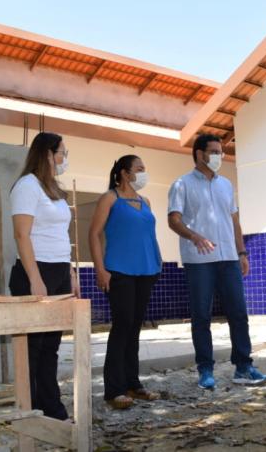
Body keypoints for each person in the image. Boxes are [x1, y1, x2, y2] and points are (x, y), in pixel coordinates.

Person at [167, 134, 266, 390]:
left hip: (229, 259)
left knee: (239, 313)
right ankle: (205, 370)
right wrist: (194, 235)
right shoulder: (182, 184)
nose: (218, 157)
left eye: (220, 152)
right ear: (199, 154)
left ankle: (243, 367)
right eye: (213, 152)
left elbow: (234, 221)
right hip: (199, 260)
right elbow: (174, 220)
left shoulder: (225, 185)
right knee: (201, 315)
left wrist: (242, 253)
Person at [9, 132, 80, 420]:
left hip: (59, 270)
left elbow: (60, 234)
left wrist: (71, 272)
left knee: (51, 346)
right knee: (33, 348)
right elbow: (21, 234)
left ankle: (52, 408)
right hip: (35, 271)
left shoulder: (53, 189)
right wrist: (35, 278)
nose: (65, 158)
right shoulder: (27, 186)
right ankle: (32, 408)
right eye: (62, 151)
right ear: (48, 154)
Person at [89, 155, 162, 410]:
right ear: (123, 172)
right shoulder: (110, 198)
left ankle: (133, 384)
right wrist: (100, 269)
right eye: (139, 169)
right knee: (122, 326)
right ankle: (114, 390)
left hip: (146, 272)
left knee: (134, 328)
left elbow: (148, 236)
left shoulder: (146, 201)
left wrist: (157, 264)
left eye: (144, 168)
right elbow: (94, 234)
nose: (143, 173)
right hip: (118, 271)